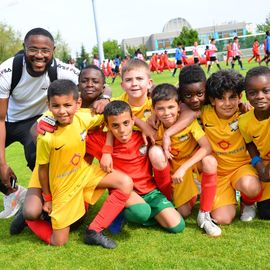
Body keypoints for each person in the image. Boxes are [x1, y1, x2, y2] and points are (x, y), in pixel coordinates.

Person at [17, 79, 133, 248]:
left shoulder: (82, 118)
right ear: (48, 105)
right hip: (60, 183)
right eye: (56, 106)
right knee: (59, 242)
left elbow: (112, 115)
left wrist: (107, 98)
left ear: (78, 104)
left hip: (82, 173)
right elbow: (42, 169)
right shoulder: (46, 135)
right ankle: (30, 221)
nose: (62, 111)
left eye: (67, 105)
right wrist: (48, 199)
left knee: (125, 182)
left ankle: (94, 231)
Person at [10, 65, 111, 235]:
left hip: (77, 174)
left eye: (95, 82)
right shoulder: (56, 112)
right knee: (31, 212)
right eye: (84, 81)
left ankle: (51, 209)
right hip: (50, 171)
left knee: (76, 223)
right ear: (78, 85)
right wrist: (47, 138)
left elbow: (116, 106)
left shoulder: (98, 109)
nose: (90, 85)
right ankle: (29, 215)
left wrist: (107, 98)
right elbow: (35, 130)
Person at [0, 27, 80, 219]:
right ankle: (15, 194)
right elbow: (0, 119)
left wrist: (105, 97)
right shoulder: (7, 70)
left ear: (53, 50)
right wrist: (2, 164)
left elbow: (95, 82)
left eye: (45, 50)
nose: (39, 55)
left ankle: (49, 198)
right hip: (9, 121)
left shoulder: (61, 69)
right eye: (33, 49)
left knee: (37, 151)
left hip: (37, 121)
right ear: (24, 48)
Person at [86, 100, 185, 234]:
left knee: (177, 226)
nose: (122, 130)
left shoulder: (143, 136)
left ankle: (153, 207)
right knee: (141, 213)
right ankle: (121, 209)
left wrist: (141, 123)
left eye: (126, 123)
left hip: (150, 191)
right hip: (125, 192)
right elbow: (77, 130)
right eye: (115, 126)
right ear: (107, 126)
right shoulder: (100, 141)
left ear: (133, 120)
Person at [150, 83, 221, 237]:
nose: (166, 113)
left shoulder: (188, 123)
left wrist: (184, 167)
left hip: (191, 164)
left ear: (179, 107)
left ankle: (205, 214)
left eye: (170, 107)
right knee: (184, 213)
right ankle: (193, 192)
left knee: (210, 161)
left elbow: (206, 147)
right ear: (154, 110)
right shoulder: (156, 127)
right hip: (175, 171)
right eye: (160, 109)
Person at [239, 66, 270, 219]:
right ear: (246, 95)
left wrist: (267, 171)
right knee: (266, 213)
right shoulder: (244, 121)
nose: (260, 96)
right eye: (253, 92)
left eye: (266, 91)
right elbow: (249, 143)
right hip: (264, 166)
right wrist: (258, 164)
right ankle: (248, 201)